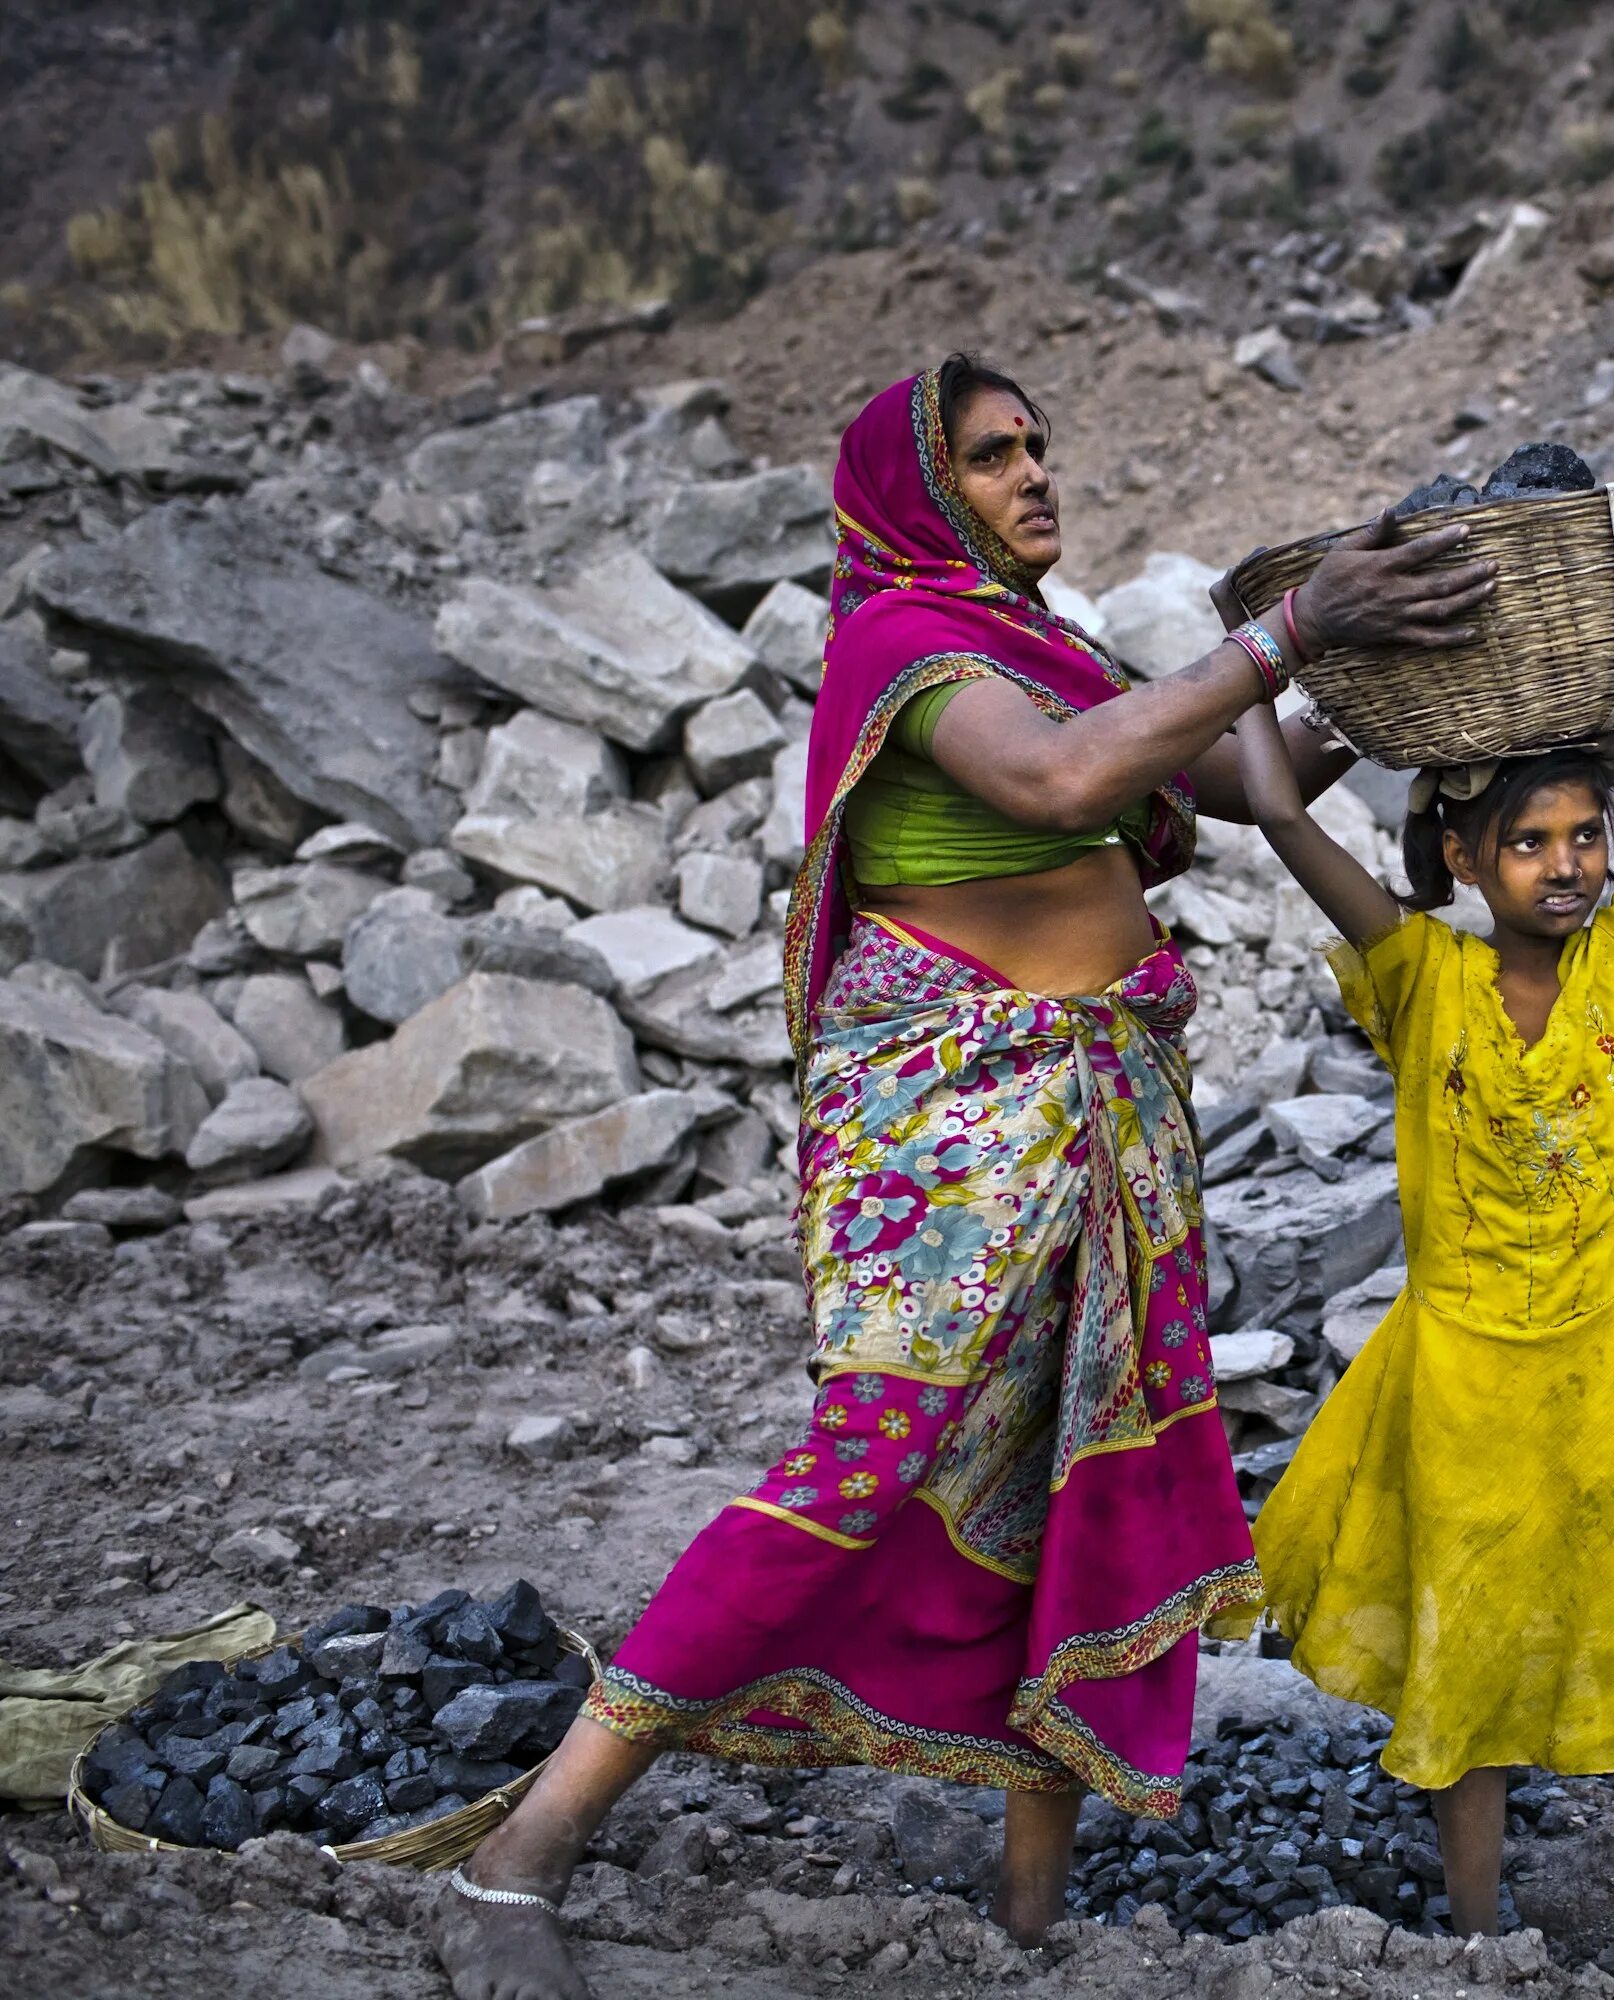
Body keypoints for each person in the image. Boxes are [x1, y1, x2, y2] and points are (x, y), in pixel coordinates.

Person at [435, 353, 1495, 2000]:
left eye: (1040, 448)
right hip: (957, 1113)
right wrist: (1286, 631)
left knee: (1068, 1471)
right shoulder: (903, 643)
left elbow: (1207, 777)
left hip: (1100, 1104)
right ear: (916, 491)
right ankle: (524, 1856)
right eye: (994, 458)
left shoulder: (1043, 644)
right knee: (864, 1464)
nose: (1034, 476)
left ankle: (1026, 1926)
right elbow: (1070, 785)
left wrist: (1354, 671)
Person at [1233, 456, 1614, 1999]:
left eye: (1584, 835)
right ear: (1464, 860)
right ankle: (1480, 1948)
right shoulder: (1415, 980)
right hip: (1470, 1381)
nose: (1569, 866)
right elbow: (1277, 800)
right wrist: (1278, 632)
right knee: (1473, 1651)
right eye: (1532, 843)